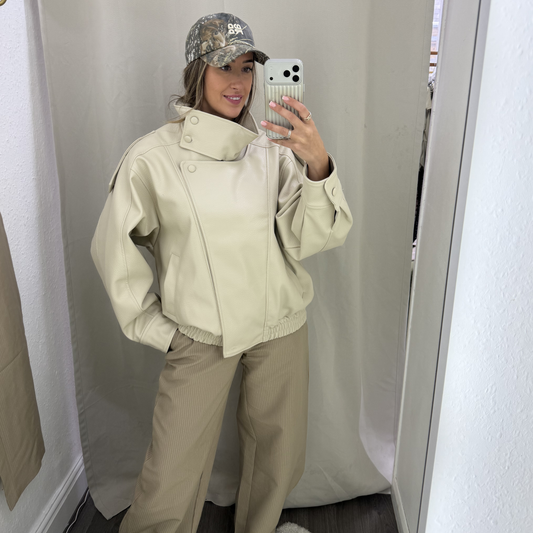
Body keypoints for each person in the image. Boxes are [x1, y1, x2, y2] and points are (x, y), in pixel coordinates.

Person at [91, 12, 353, 533]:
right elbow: (112, 250)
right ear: (197, 71)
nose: (238, 82)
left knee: (279, 454)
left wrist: (317, 165)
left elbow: (311, 238)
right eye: (224, 67)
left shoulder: (272, 149)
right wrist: (159, 330)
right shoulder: (152, 158)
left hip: (280, 322)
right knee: (171, 472)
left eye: (247, 69)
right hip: (201, 334)